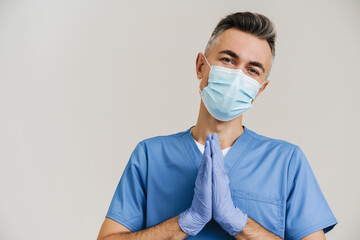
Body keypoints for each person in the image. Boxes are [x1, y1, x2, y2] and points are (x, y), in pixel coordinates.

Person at [97, 12, 338, 240]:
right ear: (201, 66)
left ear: (260, 89)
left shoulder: (286, 162)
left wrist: (238, 222)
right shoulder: (150, 156)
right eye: (228, 60)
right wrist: (185, 222)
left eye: (252, 70)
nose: (237, 77)